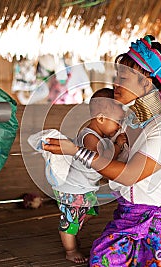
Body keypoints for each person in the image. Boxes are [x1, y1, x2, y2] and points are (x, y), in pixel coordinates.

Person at [43, 35, 161, 266]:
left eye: (123, 77)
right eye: (116, 76)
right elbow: (101, 146)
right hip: (130, 217)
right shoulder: (128, 122)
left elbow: (129, 175)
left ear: (147, 82)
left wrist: (75, 151)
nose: (115, 83)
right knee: (101, 259)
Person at [52, 88, 127, 264]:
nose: (119, 126)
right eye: (117, 121)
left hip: (84, 188)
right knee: (70, 221)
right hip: (72, 189)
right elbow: (102, 160)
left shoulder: (99, 137)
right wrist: (117, 144)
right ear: (100, 118)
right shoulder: (89, 137)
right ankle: (70, 249)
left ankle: (73, 228)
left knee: (91, 211)